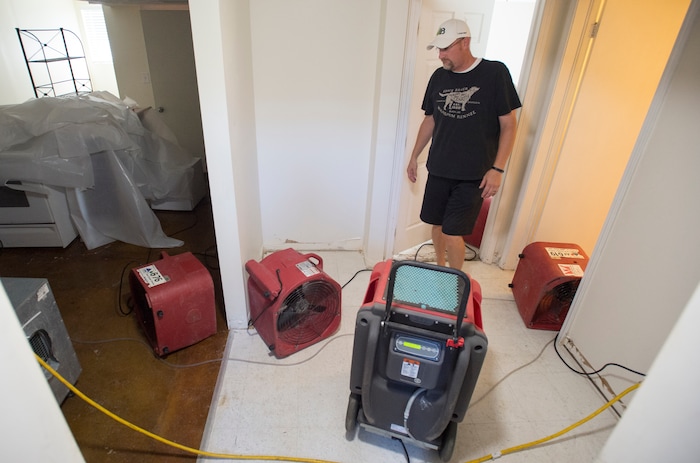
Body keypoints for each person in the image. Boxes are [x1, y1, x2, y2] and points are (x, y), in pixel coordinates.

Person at [406, 18, 521, 269]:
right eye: (438, 49)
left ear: (465, 42)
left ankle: (454, 279)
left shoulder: (495, 73)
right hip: (439, 168)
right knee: (436, 224)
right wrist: (414, 156)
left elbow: (509, 125)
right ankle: (439, 267)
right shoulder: (439, 77)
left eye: (446, 48)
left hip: (473, 175)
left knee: (452, 231)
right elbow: (430, 119)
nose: (440, 55)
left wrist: (498, 169)